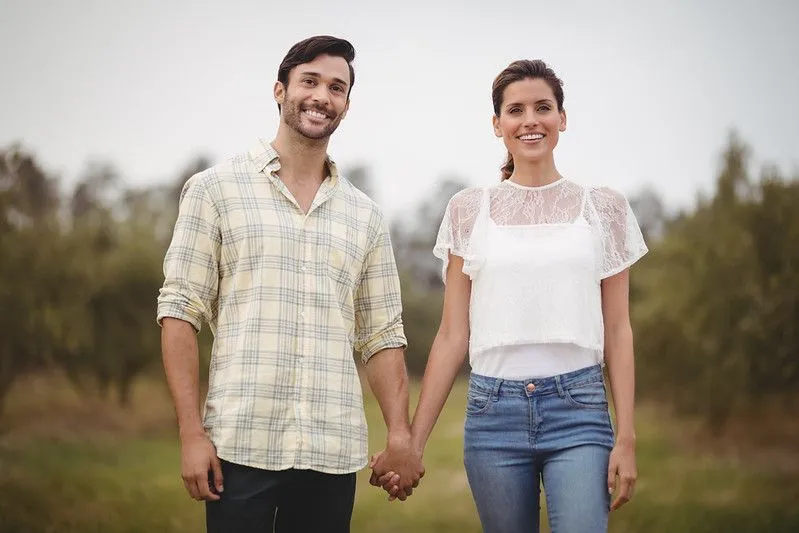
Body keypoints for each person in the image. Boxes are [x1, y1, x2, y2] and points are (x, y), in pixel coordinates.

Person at [157, 35, 424, 533]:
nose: (323, 95)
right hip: (240, 445)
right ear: (280, 90)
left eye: (337, 87)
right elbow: (179, 312)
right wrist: (192, 433)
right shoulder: (214, 190)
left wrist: (401, 434)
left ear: (347, 103)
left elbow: (382, 336)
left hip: (331, 450)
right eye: (310, 81)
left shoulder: (364, 216)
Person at [372, 59, 648, 532]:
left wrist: (626, 437)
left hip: (579, 410)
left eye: (543, 107)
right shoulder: (468, 210)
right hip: (492, 415)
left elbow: (618, 331)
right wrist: (412, 444)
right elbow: (452, 336)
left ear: (563, 118)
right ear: (497, 124)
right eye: (515, 110)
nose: (530, 120)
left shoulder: (604, 209)